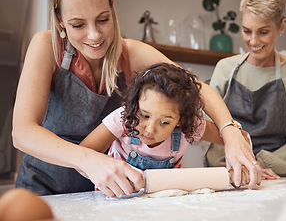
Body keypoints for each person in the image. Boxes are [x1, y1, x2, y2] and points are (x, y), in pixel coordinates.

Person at [12, 0, 261, 197]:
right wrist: (90, 159)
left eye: (103, 19)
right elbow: (22, 132)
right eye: (78, 25)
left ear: (112, 7)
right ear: (60, 21)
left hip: (104, 193)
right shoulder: (47, 46)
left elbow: (194, 87)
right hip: (43, 188)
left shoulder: (130, 52)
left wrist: (230, 133)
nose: (94, 34)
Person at [79, 63, 252, 196]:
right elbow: (82, 156)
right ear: (134, 104)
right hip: (116, 199)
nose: (150, 130)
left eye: (164, 122)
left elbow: (241, 137)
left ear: (180, 120)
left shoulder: (190, 126)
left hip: (164, 202)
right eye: (144, 115)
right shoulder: (122, 118)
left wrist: (249, 165)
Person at [205, 0, 286, 178]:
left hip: (276, 176)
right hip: (226, 173)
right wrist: (237, 167)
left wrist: (260, 164)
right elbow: (210, 128)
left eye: (263, 32)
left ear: (281, 26)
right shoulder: (225, 68)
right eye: (247, 31)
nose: (253, 41)